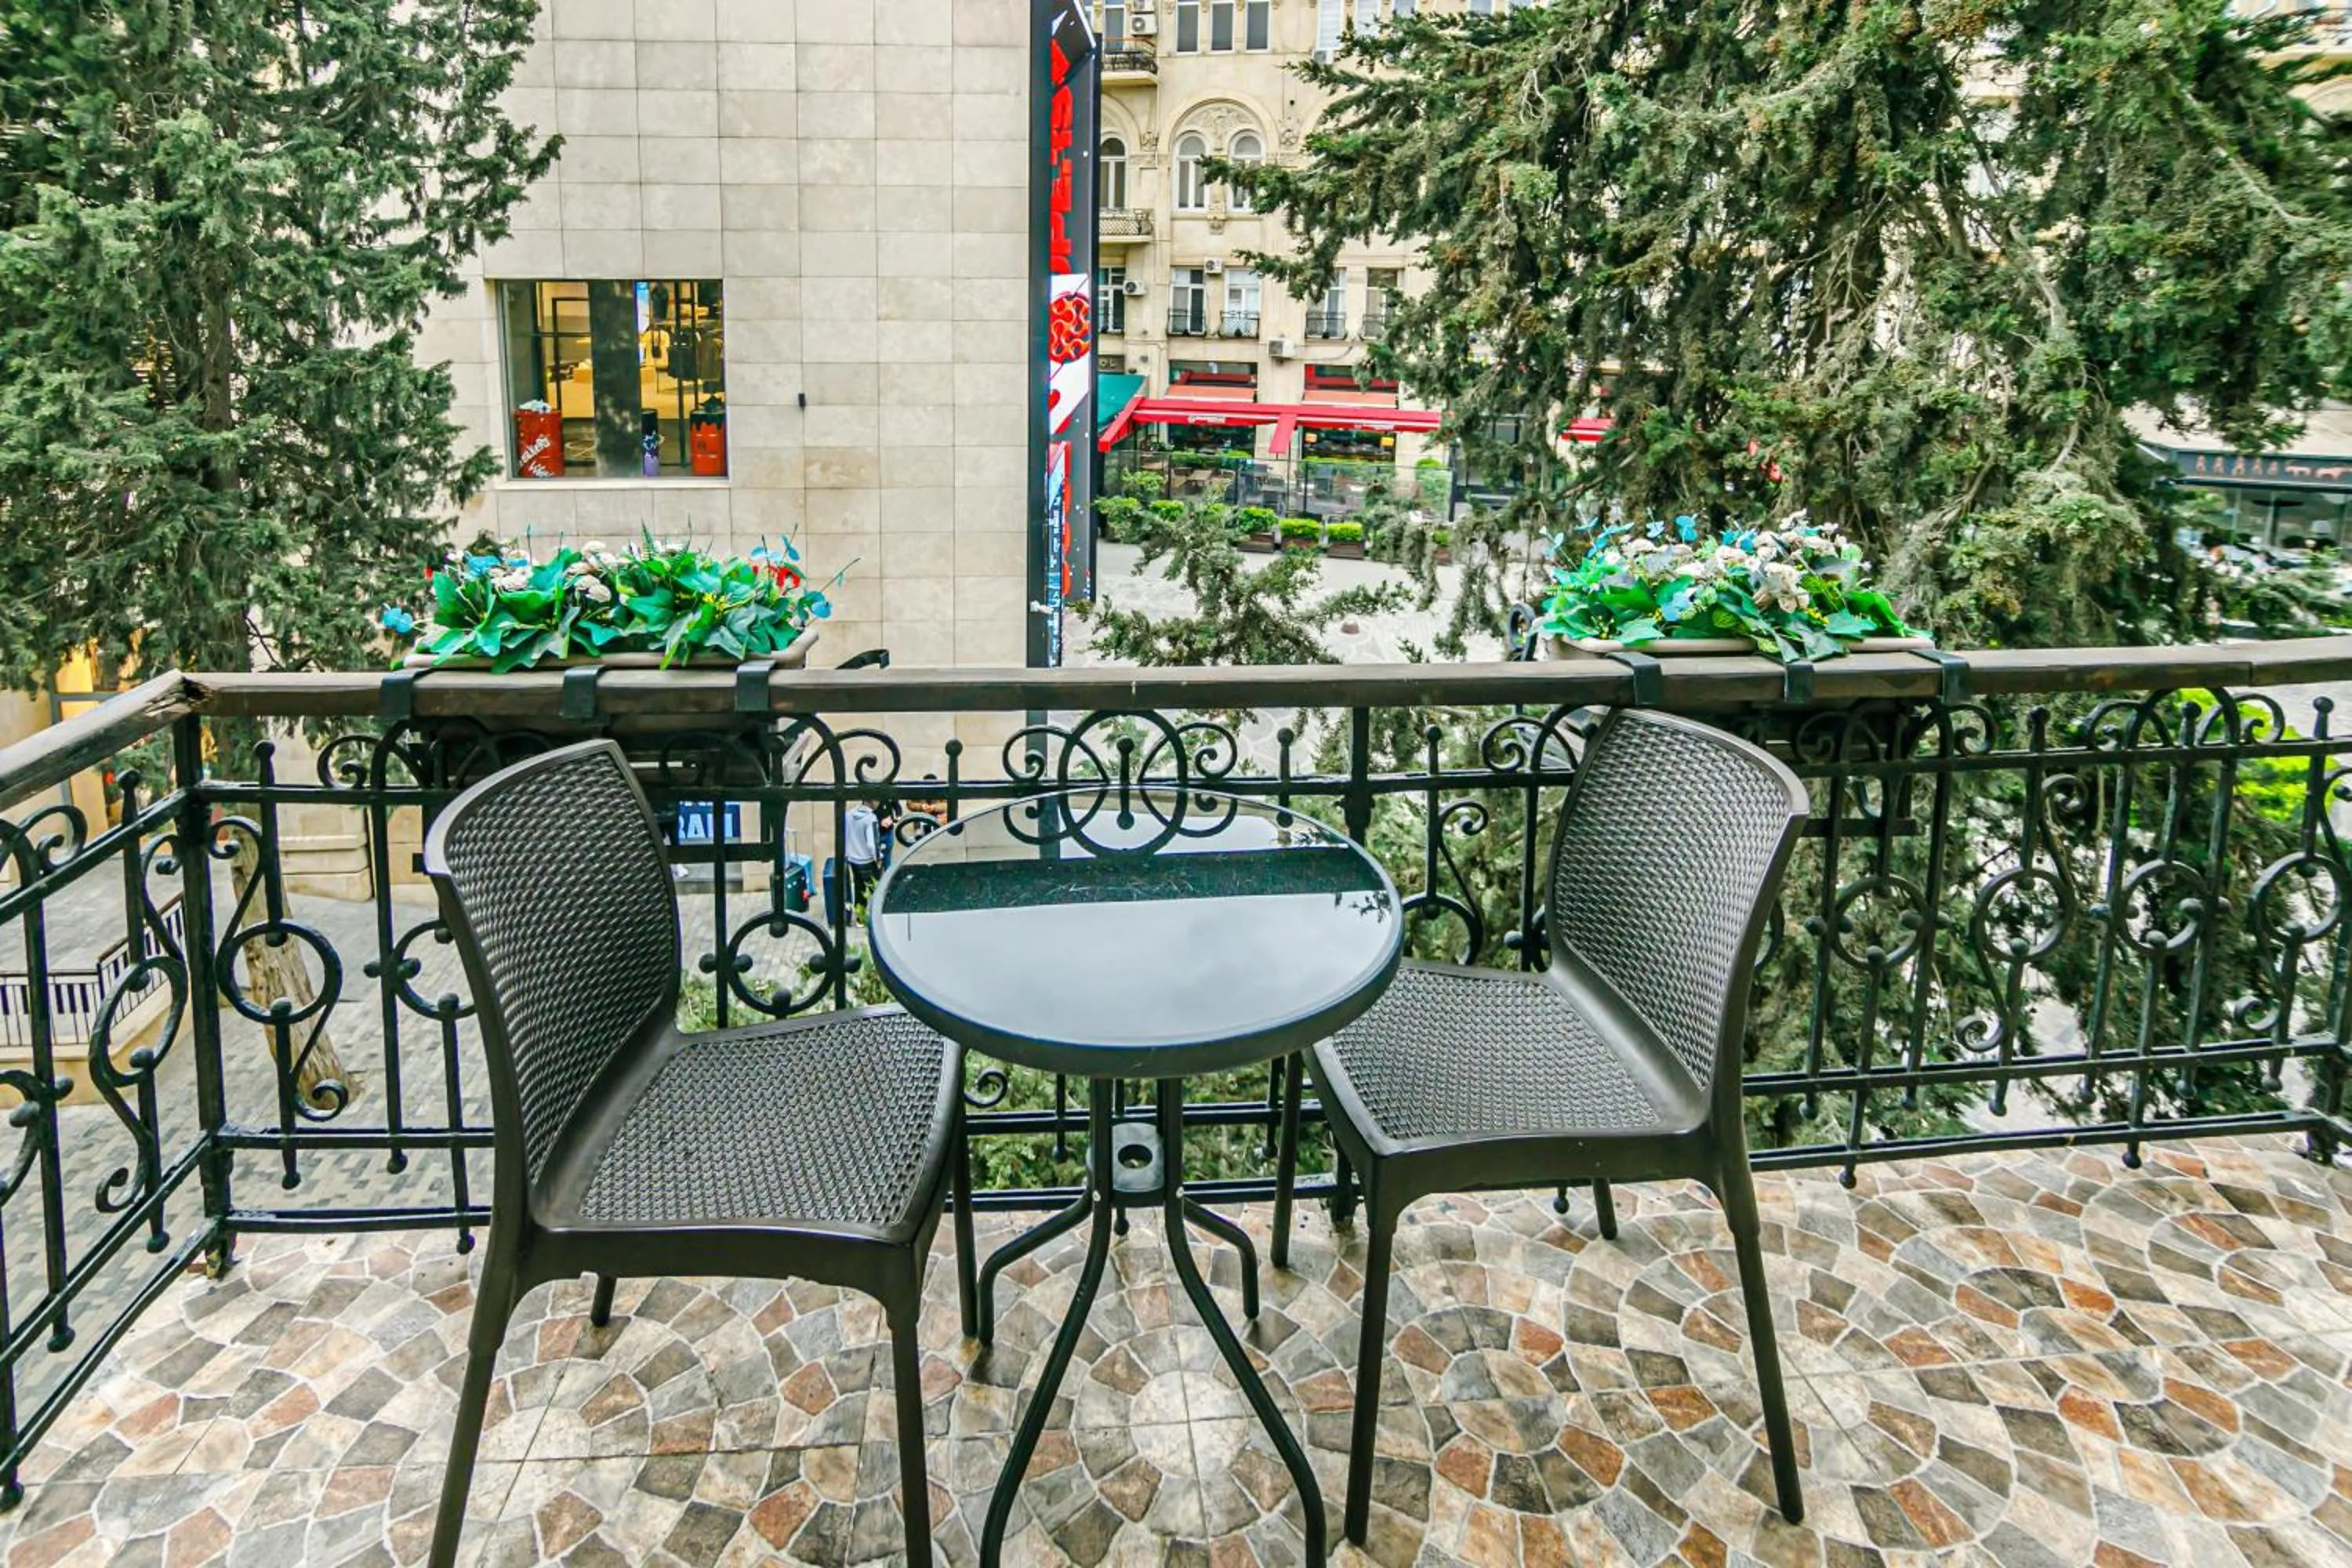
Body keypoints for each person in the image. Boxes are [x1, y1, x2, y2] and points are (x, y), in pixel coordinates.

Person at [844, 799, 883, 910]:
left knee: (859, 887)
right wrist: (878, 859)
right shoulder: (871, 819)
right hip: (867, 860)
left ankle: (860, 918)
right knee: (876, 889)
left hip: (853, 858)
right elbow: (872, 844)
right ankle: (874, 914)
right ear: (873, 802)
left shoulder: (850, 814)